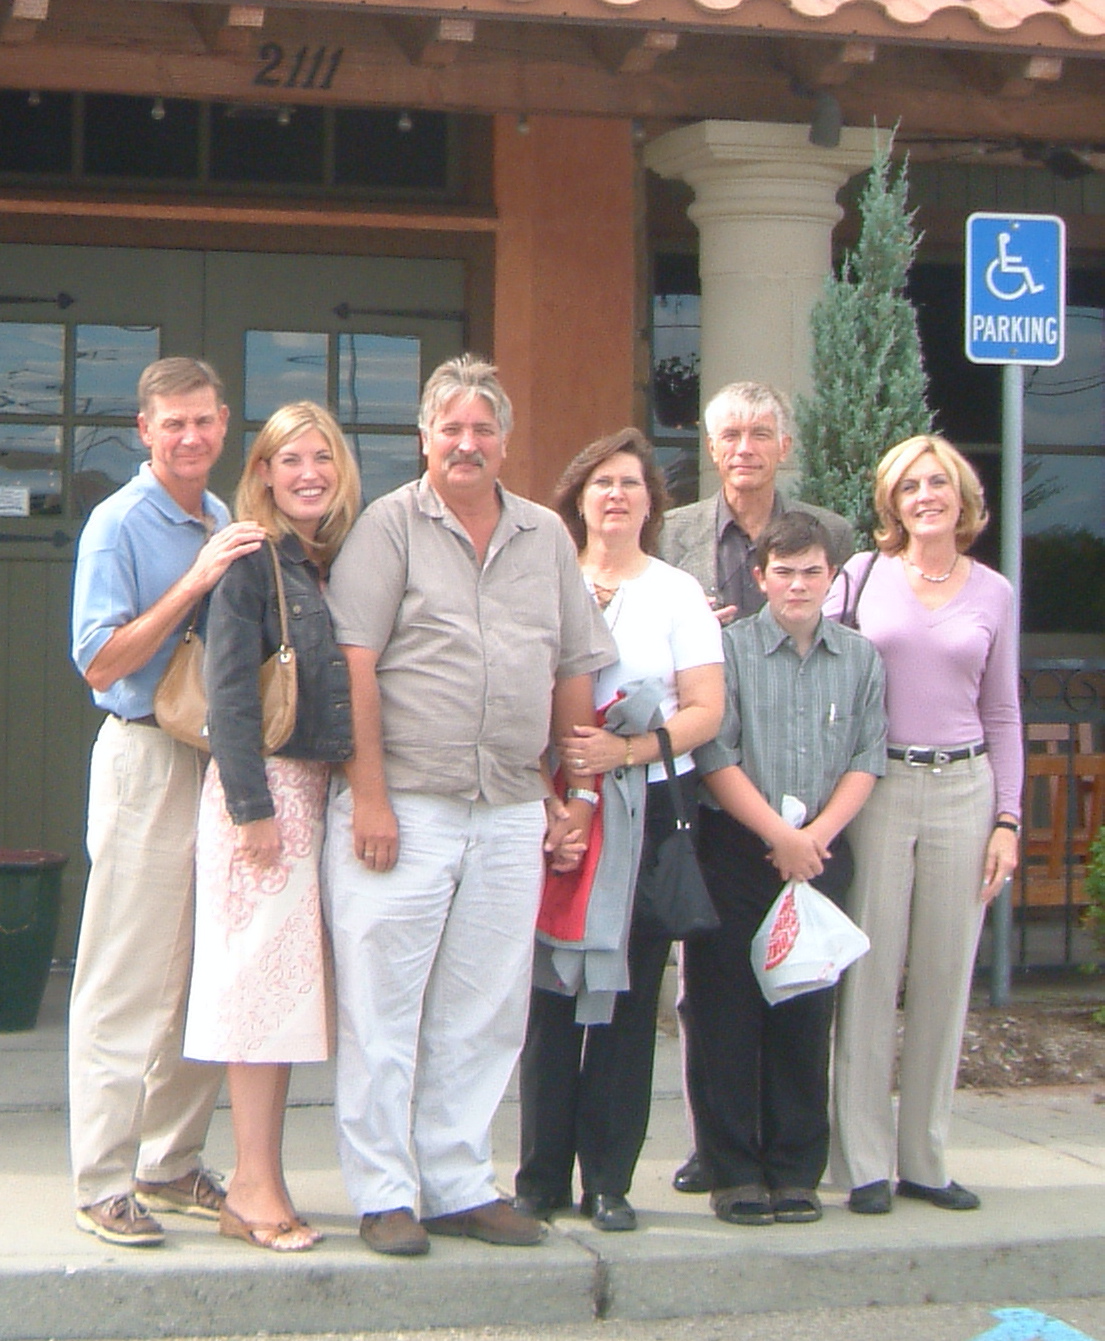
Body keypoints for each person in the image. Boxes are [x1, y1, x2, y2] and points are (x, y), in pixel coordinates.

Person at [322, 354, 616, 1258]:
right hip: (403, 803)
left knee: (485, 1005)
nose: (466, 442)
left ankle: (455, 1182)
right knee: (385, 1003)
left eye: (482, 429)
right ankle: (383, 1190)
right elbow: (354, 662)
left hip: (509, 806)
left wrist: (574, 793)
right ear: (423, 439)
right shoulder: (388, 527)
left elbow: (573, 665)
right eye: (449, 428)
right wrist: (368, 793)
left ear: (504, 441)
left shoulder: (543, 537)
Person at [69, 357, 266, 1246]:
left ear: (225, 424)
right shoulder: (118, 524)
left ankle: (171, 1160)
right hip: (146, 755)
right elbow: (99, 663)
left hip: (211, 762)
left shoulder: (220, 515)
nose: (191, 437)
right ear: (144, 430)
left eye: (204, 421)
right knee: (125, 977)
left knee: (200, 976)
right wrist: (192, 581)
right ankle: (103, 1180)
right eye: (172, 423)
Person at [513, 429, 724, 1232]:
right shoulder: (543, 581)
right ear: (578, 498)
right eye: (601, 481)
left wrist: (624, 750)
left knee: (625, 1003)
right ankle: (538, 1180)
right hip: (549, 814)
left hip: (646, 815)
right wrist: (553, 801)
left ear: (650, 501)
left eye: (631, 483)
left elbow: (705, 709)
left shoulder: (676, 592)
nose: (616, 495)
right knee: (550, 1002)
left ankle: (607, 1179)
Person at [659, 379, 854, 1195]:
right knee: (709, 986)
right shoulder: (670, 536)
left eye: (760, 432)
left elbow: (847, 657)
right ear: (711, 449)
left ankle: (783, 1146)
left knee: (795, 977)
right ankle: (718, 1143)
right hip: (697, 789)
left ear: (784, 447)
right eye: (730, 433)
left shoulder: (830, 535)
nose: (744, 447)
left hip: (800, 795)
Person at [828, 434, 1022, 1216]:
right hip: (879, 783)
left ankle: (925, 1159)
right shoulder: (861, 576)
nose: (924, 496)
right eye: (908, 485)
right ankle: (865, 1163)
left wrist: (1006, 819)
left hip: (962, 788)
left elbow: (1001, 711)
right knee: (869, 973)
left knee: (945, 976)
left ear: (962, 496)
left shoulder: (993, 592)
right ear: (890, 501)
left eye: (937, 482)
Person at [182, 402, 360, 1252]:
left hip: (310, 795)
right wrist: (252, 811)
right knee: (256, 999)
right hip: (264, 801)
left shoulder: (320, 560)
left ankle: (262, 1176)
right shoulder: (250, 559)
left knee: (284, 1000)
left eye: (321, 458)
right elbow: (226, 693)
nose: (307, 474)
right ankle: (252, 1185)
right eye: (289, 460)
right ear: (260, 472)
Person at [685, 511, 885, 1226]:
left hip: (820, 852)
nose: (797, 583)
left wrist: (815, 837)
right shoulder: (728, 651)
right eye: (783, 570)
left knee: (804, 1011)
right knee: (727, 1012)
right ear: (760, 575)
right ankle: (734, 1168)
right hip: (740, 848)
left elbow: (867, 756)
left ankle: (796, 1168)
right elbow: (714, 754)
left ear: (831, 578)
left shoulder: (860, 658)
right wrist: (776, 833)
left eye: (811, 571)